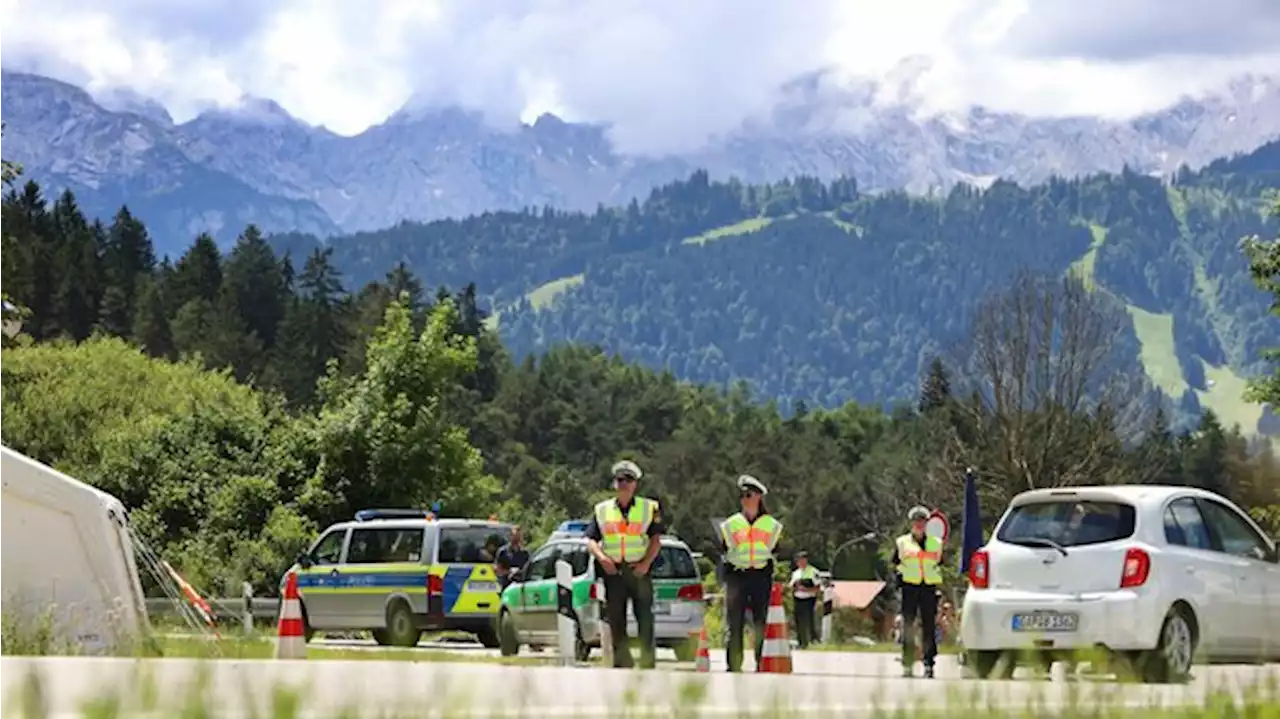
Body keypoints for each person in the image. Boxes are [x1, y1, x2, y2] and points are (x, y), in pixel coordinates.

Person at [584, 460, 664, 669]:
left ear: (635, 484)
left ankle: (647, 662)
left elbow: (656, 540)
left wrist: (646, 564)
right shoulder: (602, 510)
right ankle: (623, 662)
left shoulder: (650, 508)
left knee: (645, 619)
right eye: (620, 480)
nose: (624, 484)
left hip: (639, 571)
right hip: (614, 571)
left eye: (628, 480)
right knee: (617, 619)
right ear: (614, 484)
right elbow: (591, 539)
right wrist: (602, 558)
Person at [718, 474, 782, 673]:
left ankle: (761, 662)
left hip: (760, 576)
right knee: (734, 622)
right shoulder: (730, 524)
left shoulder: (772, 525)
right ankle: (733, 664)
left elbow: (775, 549)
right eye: (743, 495)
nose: (745, 498)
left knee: (760, 621)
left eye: (749, 494)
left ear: (758, 498)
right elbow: (724, 550)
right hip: (737, 575)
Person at [891, 505, 943, 678]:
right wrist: (900, 575)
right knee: (908, 626)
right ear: (911, 523)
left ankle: (929, 664)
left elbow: (939, 563)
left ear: (927, 523)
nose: (919, 524)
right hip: (909, 587)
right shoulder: (902, 542)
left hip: (928, 587)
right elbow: (895, 562)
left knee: (928, 627)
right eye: (916, 521)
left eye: (922, 521)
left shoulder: (936, 543)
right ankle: (907, 663)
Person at [788, 551, 819, 648]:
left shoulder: (813, 571)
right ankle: (801, 642)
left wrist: (806, 590)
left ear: (806, 560)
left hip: (809, 599)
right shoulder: (796, 573)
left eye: (802, 560)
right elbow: (791, 586)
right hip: (797, 599)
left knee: (809, 620)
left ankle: (813, 640)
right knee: (798, 621)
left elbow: (818, 587)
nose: (800, 562)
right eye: (798, 560)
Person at [494, 525, 530, 589]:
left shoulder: (525, 553)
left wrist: (520, 572)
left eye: (519, 536)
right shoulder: (503, 552)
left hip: (520, 586)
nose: (517, 538)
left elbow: (528, 569)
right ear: (510, 536)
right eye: (515, 535)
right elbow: (497, 570)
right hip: (506, 586)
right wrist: (510, 571)